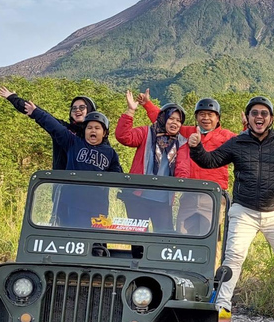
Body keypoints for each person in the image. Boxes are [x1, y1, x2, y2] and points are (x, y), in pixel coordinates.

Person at [188, 96, 274, 322]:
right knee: (233, 258)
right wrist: (196, 148)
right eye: (254, 113)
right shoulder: (237, 142)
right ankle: (222, 306)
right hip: (244, 211)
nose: (259, 117)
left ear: (271, 118)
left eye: (264, 113)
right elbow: (210, 161)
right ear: (248, 117)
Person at [138, 93, 236, 235]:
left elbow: (244, 145)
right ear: (196, 117)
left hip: (214, 196)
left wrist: (247, 127)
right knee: (184, 236)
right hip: (189, 193)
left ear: (218, 118)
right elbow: (166, 122)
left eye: (210, 114)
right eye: (202, 114)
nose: (206, 118)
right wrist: (148, 104)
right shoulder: (189, 132)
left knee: (213, 239)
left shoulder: (226, 136)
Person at [22, 101, 122, 227]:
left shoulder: (110, 152)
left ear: (104, 133)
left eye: (97, 128)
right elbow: (54, 126)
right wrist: (36, 112)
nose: (93, 131)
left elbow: (117, 175)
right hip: (73, 202)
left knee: (96, 243)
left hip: (98, 206)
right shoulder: (73, 143)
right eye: (89, 128)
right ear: (84, 130)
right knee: (74, 235)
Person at [114, 89, 187, 233]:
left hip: (163, 201)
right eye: (171, 118)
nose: (175, 123)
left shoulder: (181, 142)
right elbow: (123, 136)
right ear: (163, 118)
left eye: (179, 120)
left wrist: (182, 183)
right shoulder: (147, 132)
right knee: (138, 239)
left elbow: (183, 168)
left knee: (164, 238)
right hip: (138, 197)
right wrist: (130, 111)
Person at [0, 86, 97, 170]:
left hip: (90, 187)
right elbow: (39, 113)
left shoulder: (99, 134)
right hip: (62, 184)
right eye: (74, 108)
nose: (77, 110)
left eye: (82, 107)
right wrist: (12, 98)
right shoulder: (63, 129)